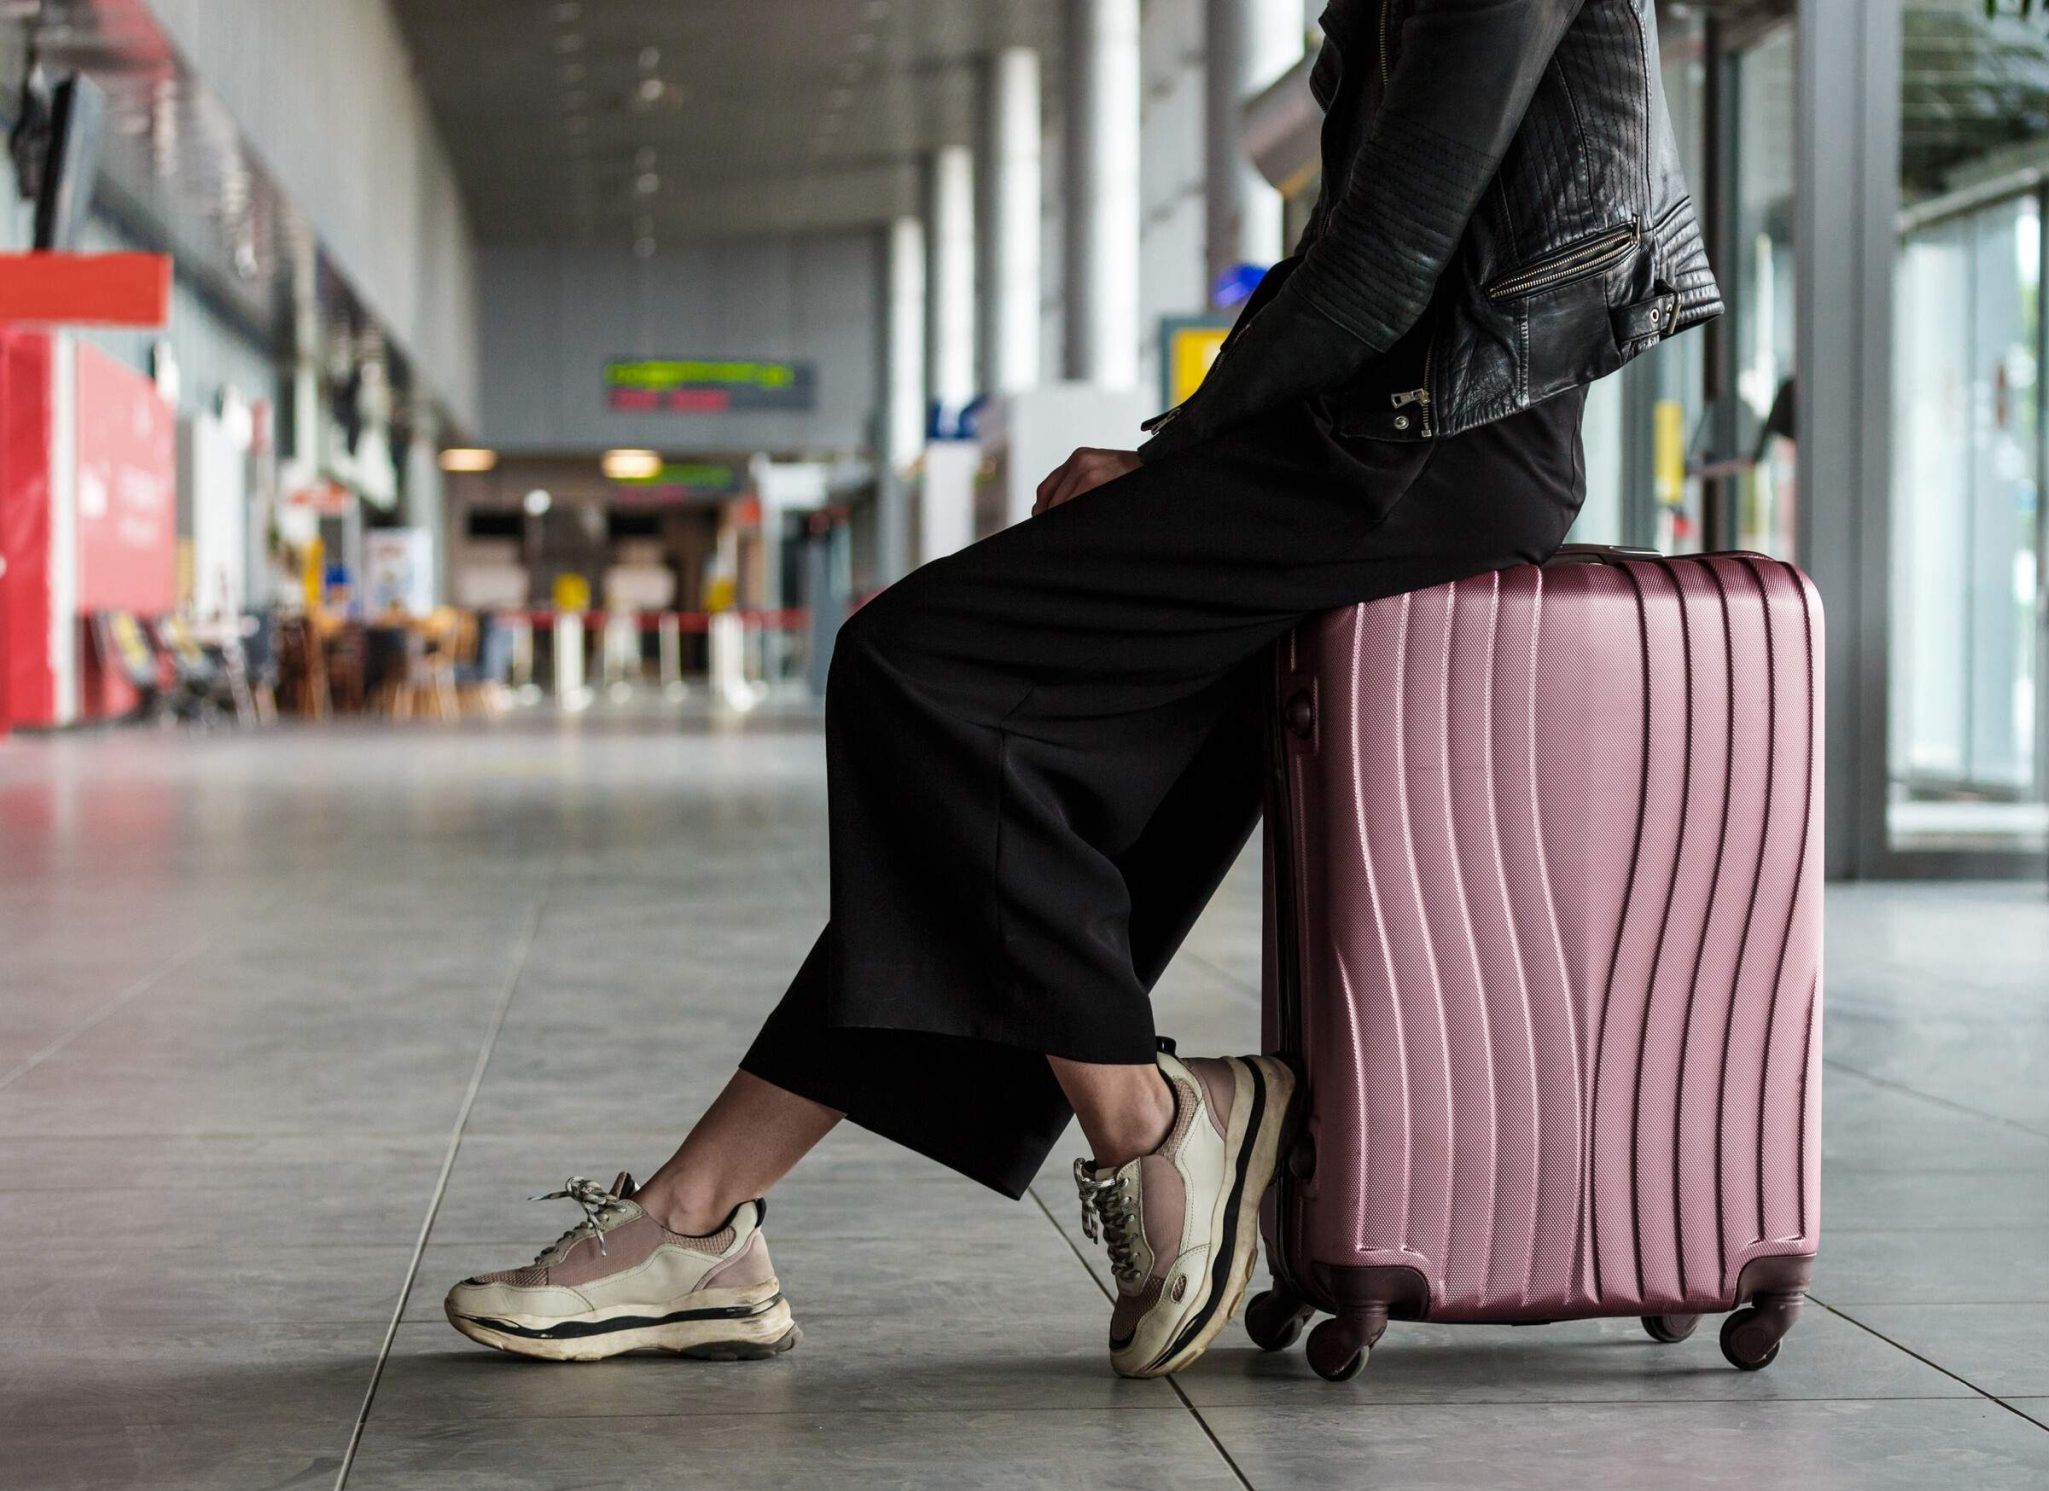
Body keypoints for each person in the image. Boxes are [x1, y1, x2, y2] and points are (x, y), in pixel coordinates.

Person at [445, 0, 1720, 1379]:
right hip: (1382, 444)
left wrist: (1173, 461)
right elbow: (1359, 251)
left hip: (1434, 451)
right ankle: (697, 1229)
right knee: (995, 832)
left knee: (910, 666)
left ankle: (1154, 1124)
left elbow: (1390, 256)